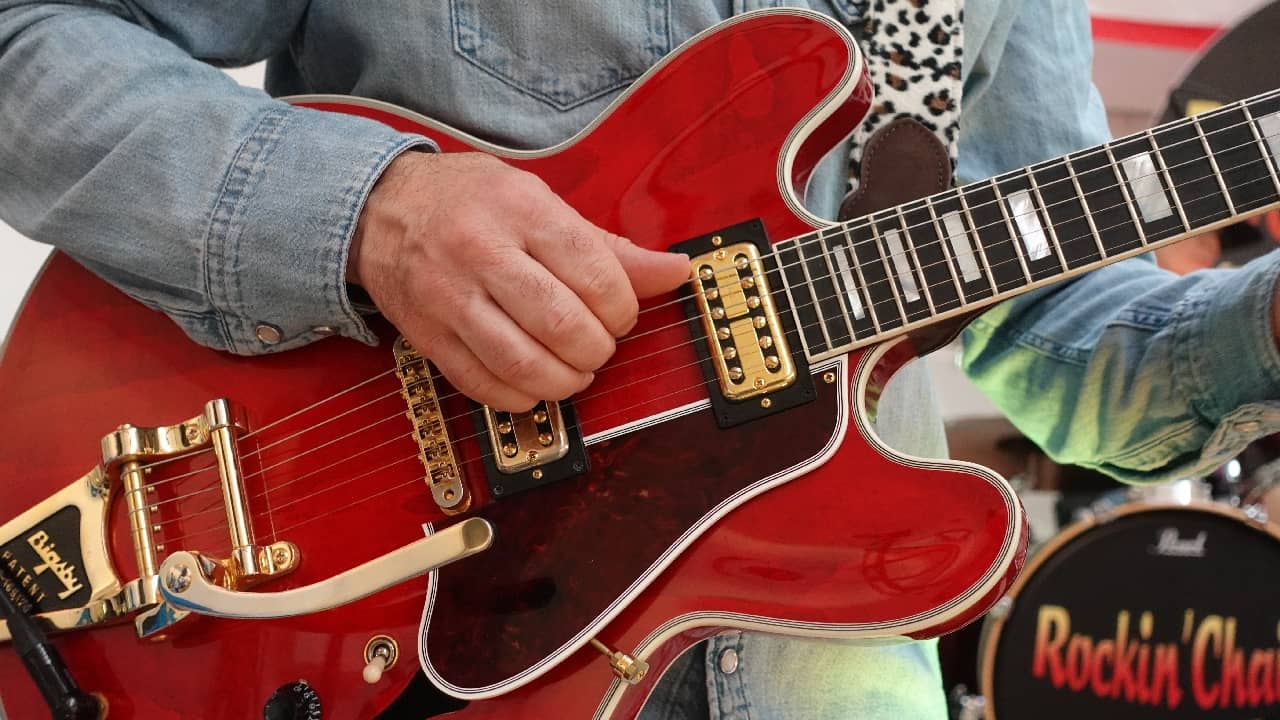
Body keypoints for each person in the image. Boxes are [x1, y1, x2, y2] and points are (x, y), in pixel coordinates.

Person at [2, 1, 1279, 718]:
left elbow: (1055, 330)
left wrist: (1258, 326)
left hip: (824, 657)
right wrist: (370, 215)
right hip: (368, 592)